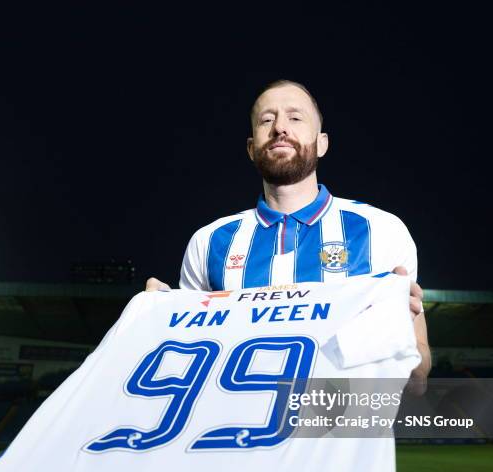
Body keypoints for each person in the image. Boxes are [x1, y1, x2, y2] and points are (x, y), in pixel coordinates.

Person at [147, 79, 431, 386]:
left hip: (335, 430)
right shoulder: (209, 242)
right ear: (251, 148)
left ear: (322, 143)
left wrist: (394, 336)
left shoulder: (381, 230)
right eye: (266, 119)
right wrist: (155, 325)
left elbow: (419, 379)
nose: (280, 127)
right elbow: (184, 363)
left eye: (295, 118)